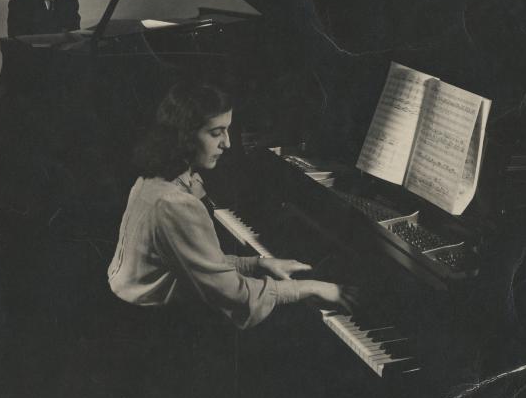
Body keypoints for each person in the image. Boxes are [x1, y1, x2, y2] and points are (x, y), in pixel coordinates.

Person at [107, 82, 357, 331]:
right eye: (216, 133)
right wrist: (313, 287)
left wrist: (258, 264)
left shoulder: (153, 179)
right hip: (152, 327)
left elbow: (198, 261)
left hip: (127, 311)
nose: (227, 144)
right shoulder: (175, 204)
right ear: (185, 135)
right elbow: (237, 295)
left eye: (227, 131)